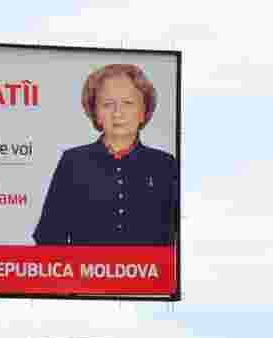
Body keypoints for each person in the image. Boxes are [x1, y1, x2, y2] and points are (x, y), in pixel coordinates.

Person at [33, 63, 177, 245]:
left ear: (143, 111)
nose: (118, 113)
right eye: (108, 104)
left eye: (128, 103)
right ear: (96, 113)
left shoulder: (165, 165)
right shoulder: (73, 162)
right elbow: (48, 235)